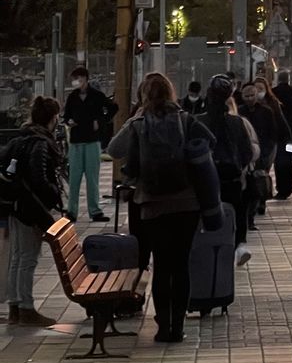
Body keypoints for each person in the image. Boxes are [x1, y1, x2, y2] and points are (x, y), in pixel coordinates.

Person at [108, 72, 222, 344]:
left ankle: (162, 327)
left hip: (152, 205)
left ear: (143, 96)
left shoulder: (138, 124)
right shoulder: (186, 119)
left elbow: (113, 150)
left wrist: (134, 119)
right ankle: (178, 327)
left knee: (161, 266)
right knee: (181, 265)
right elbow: (211, 142)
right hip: (187, 204)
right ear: (171, 93)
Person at [5, 96, 64, 326]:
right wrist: (54, 193)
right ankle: (26, 308)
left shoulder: (21, 138)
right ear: (52, 118)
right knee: (28, 257)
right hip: (31, 208)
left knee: (18, 257)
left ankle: (15, 308)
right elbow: (39, 178)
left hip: (15, 205)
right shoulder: (40, 143)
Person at [201, 76, 258, 267]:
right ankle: (239, 244)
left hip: (206, 181)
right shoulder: (236, 122)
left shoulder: (198, 122)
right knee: (237, 210)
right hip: (232, 179)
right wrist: (240, 168)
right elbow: (247, 152)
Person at [62, 66, 116, 222]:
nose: (75, 82)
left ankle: (95, 210)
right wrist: (69, 121)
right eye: (74, 79)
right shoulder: (72, 97)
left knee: (92, 177)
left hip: (92, 140)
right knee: (74, 177)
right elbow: (66, 116)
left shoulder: (97, 96)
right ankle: (72, 211)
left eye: (78, 78)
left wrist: (100, 121)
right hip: (76, 140)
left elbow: (113, 108)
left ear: (85, 78)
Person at [239, 82, 278, 221]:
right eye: (246, 96)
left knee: (260, 178)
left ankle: (261, 201)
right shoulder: (240, 112)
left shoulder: (266, 111)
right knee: (248, 180)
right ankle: (250, 209)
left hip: (263, 151)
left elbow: (272, 132)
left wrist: (267, 151)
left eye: (252, 95)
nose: (249, 98)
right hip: (246, 152)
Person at [271, 72, 292, 200]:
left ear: (278, 79)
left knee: (278, 162)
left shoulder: (273, 93)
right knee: (289, 161)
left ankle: (281, 188)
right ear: (288, 79)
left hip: (278, 135)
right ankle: (289, 186)